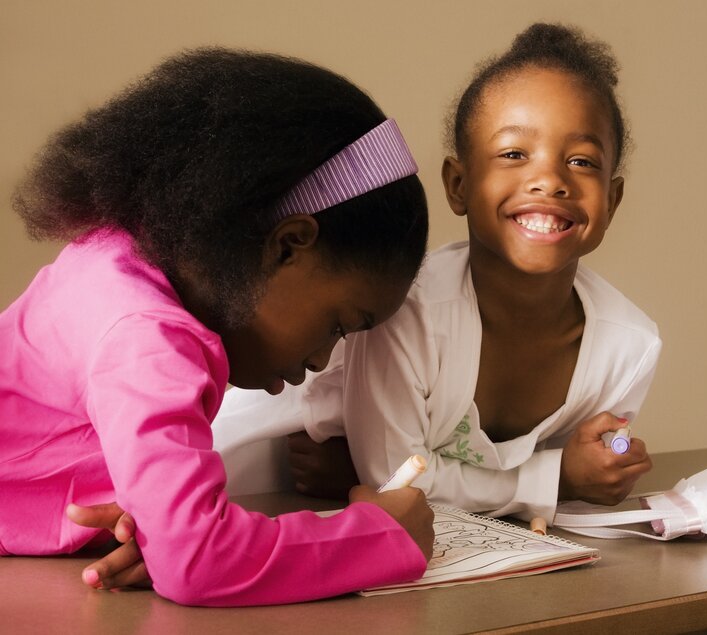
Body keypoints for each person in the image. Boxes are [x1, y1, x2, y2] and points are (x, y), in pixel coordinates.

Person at [0, 48, 434, 606]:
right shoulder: (146, 336)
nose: (325, 359)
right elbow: (200, 563)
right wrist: (380, 535)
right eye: (340, 325)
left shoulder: (114, 258)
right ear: (288, 245)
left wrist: (163, 529)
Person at [216, 22, 662, 524]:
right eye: (514, 154)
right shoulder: (407, 310)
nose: (550, 180)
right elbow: (394, 480)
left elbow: (404, 481)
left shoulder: (632, 344)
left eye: (581, 160)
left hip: (359, 510)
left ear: (614, 198)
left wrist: (603, 465)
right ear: (457, 185)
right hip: (255, 487)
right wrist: (556, 478)